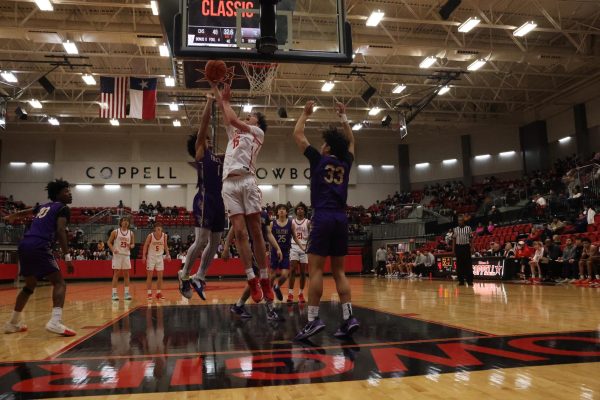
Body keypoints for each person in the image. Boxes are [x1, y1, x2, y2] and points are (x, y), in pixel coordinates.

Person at [293, 100, 359, 341]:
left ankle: (312, 320)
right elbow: (351, 142)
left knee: (316, 270)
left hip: (322, 216)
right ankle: (349, 316)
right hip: (341, 218)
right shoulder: (346, 163)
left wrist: (305, 113)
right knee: (339, 271)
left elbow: (298, 134)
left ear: (327, 147)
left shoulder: (318, 160)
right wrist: (344, 117)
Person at [210, 82, 273, 303]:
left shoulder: (257, 133)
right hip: (228, 184)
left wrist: (227, 101)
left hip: (247, 180)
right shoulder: (234, 134)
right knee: (239, 233)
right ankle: (251, 279)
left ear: (257, 122)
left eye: (251, 116)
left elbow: (233, 118)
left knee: (256, 231)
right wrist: (214, 86)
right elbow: (225, 111)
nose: (248, 117)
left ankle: (265, 278)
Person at [3, 179, 76, 336]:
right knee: (59, 283)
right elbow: (61, 230)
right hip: (40, 245)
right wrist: (68, 257)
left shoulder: (43, 207)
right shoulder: (62, 208)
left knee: (29, 286)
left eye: (69, 191)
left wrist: (13, 215)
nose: (70, 194)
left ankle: (12, 323)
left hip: (25, 244)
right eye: (66, 191)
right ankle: (55, 322)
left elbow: (27, 211)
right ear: (57, 194)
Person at [178, 94, 225, 300]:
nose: (208, 139)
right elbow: (204, 125)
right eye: (205, 137)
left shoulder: (217, 157)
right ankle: (184, 274)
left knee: (216, 242)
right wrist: (208, 101)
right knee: (201, 240)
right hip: (205, 199)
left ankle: (200, 276)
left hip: (219, 200)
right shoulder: (200, 152)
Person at [228, 209, 283, 320]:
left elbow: (268, 233)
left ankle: (239, 305)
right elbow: (233, 230)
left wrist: (277, 248)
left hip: (260, 249)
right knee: (263, 277)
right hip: (248, 248)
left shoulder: (264, 214)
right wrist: (225, 248)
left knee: (258, 278)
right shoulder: (243, 212)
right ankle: (270, 310)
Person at [270, 204, 304, 301]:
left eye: (283, 209)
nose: (281, 211)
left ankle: (276, 287)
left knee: (285, 275)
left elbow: (295, 237)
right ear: (277, 212)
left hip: (285, 252)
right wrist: (268, 250)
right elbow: (269, 238)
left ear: (286, 212)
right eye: (279, 209)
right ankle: (268, 293)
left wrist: (301, 246)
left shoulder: (290, 224)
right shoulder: (273, 224)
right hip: (275, 251)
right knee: (272, 275)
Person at [107, 217, 135, 301]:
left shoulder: (131, 233)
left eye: (127, 221)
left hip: (126, 255)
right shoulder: (115, 232)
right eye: (124, 221)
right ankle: (114, 293)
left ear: (129, 223)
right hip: (118, 255)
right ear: (121, 223)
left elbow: (133, 244)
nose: (126, 222)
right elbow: (108, 242)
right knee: (116, 274)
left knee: (126, 274)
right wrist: (112, 249)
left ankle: (126, 293)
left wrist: (131, 246)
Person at [288, 202, 311, 302]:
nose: (300, 210)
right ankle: (290, 294)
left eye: (302, 209)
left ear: (305, 211)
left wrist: (308, 246)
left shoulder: (308, 222)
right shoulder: (292, 222)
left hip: (304, 248)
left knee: (303, 272)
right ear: (296, 211)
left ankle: (301, 293)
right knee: (292, 270)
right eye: (298, 209)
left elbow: (312, 235)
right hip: (294, 246)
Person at [142, 222, 170, 301]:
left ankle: (158, 293)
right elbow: (145, 246)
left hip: (160, 257)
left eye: (159, 227)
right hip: (151, 257)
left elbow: (165, 246)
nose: (158, 228)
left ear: (161, 228)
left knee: (160, 277)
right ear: (154, 228)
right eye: (157, 227)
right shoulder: (150, 236)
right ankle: (149, 293)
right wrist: (144, 256)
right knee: (150, 276)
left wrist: (168, 255)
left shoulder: (164, 236)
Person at [452, 214, 473, 286]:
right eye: (458, 220)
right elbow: (454, 240)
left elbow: (471, 239)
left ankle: (469, 280)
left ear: (463, 221)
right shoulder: (455, 229)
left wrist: (472, 248)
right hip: (459, 247)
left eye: (460, 220)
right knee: (459, 265)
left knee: (468, 264)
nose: (459, 222)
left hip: (466, 247)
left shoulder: (468, 228)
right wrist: (453, 250)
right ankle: (461, 281)